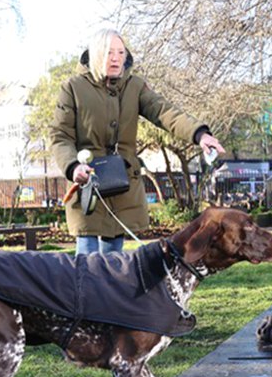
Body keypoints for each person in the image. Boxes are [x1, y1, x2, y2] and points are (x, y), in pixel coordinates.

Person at [50, 28, 225, 255]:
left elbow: (164, 112)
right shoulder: (72, 88)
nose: (115, 58)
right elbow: (60, 136)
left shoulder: (135, 86)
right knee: (87, 260)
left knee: (114, 260)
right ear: (95, 54)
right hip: (87, 184)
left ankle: (112, 291)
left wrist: (199, 134)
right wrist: (73, 167)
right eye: (109, 52)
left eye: (120, 52)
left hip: (121, 182)